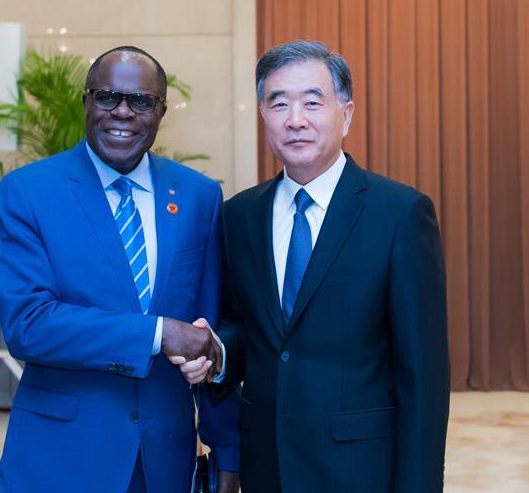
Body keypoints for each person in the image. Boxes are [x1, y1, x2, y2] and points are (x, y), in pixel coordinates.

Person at [178, 40, 450, 492]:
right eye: (278, 103)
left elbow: (422, 376)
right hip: (267, 466)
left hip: (360, 470)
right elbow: (246, 328)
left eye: (312, 102)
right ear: (263, 115)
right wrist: (216, 351)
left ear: (346, 114)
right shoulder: (239, 215)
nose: (295, 119)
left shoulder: (399, 214)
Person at [0, 46, 240, 493]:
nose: (122, 112)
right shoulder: (27, 192)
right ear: (86, 102)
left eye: (141, 101)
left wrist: (226, 453)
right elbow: (28, 325)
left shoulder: (198, 196)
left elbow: (209, 330)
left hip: (166, 459)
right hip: (61, 458)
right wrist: (158, 333)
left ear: (161, 112)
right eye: (107, 97)